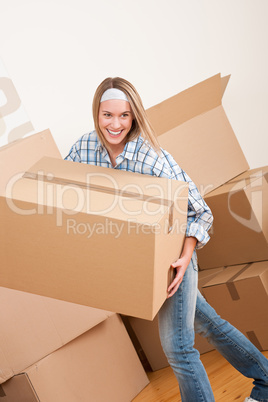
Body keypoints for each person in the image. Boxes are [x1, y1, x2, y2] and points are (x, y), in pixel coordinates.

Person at [65, 77, 268, 402]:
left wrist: (185, 259)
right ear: (97, 113)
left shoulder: (151, 158)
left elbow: (198, 212)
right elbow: (65, 192)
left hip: (174, 256)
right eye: (107, 115)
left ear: (134, 117)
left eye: (124, 116)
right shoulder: (84, 148)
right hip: (138, 262)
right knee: (209, 324)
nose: (115, 124)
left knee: (178, 346)